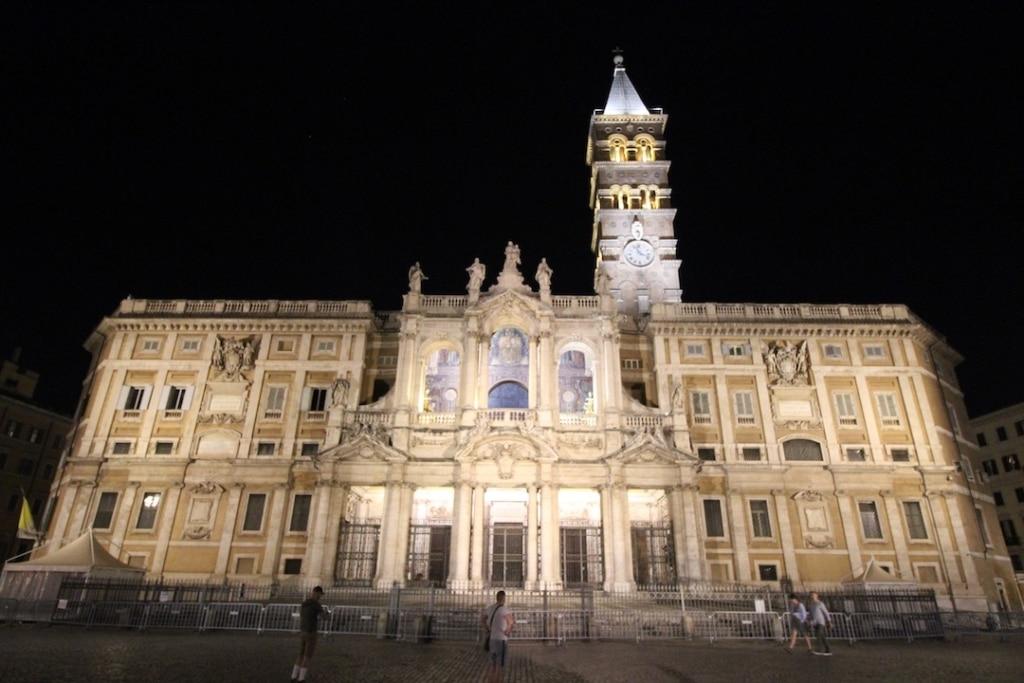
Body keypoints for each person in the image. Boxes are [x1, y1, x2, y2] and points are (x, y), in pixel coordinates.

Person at [292, 586, 327, 682]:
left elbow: (303, 615)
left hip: (303, 631)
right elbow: (324, 617)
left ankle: (293, 676)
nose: (320, 596)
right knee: (307, 656)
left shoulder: (304, 603)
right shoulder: (316, 604)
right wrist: (327, 614)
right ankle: (301, 679)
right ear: (317, 593)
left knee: (300, 654)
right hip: (311, 632)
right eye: (320, 594)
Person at [480, 590, 514, 682]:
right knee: (499, 666)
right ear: (503, 598)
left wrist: (487, 629)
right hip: (501, 640)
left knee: (492, 665)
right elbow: (511, 623)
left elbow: (482, 619)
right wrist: (507, 632)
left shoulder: (490, 608)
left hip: (492, 640)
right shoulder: (504, 609)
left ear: (496, 598)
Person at [807, 591, 832, 656]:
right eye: (811, 595)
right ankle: (828, 650)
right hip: (815, 623)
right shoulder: (811, 604)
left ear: (816, 595)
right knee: (823, 637)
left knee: (818, 635)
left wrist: (829, 621)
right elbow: (810, 614)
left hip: (821, 622)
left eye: (813, 595)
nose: (812, 596)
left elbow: (826, 612)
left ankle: (819, 650)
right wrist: (809, 620)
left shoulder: (820, 603)